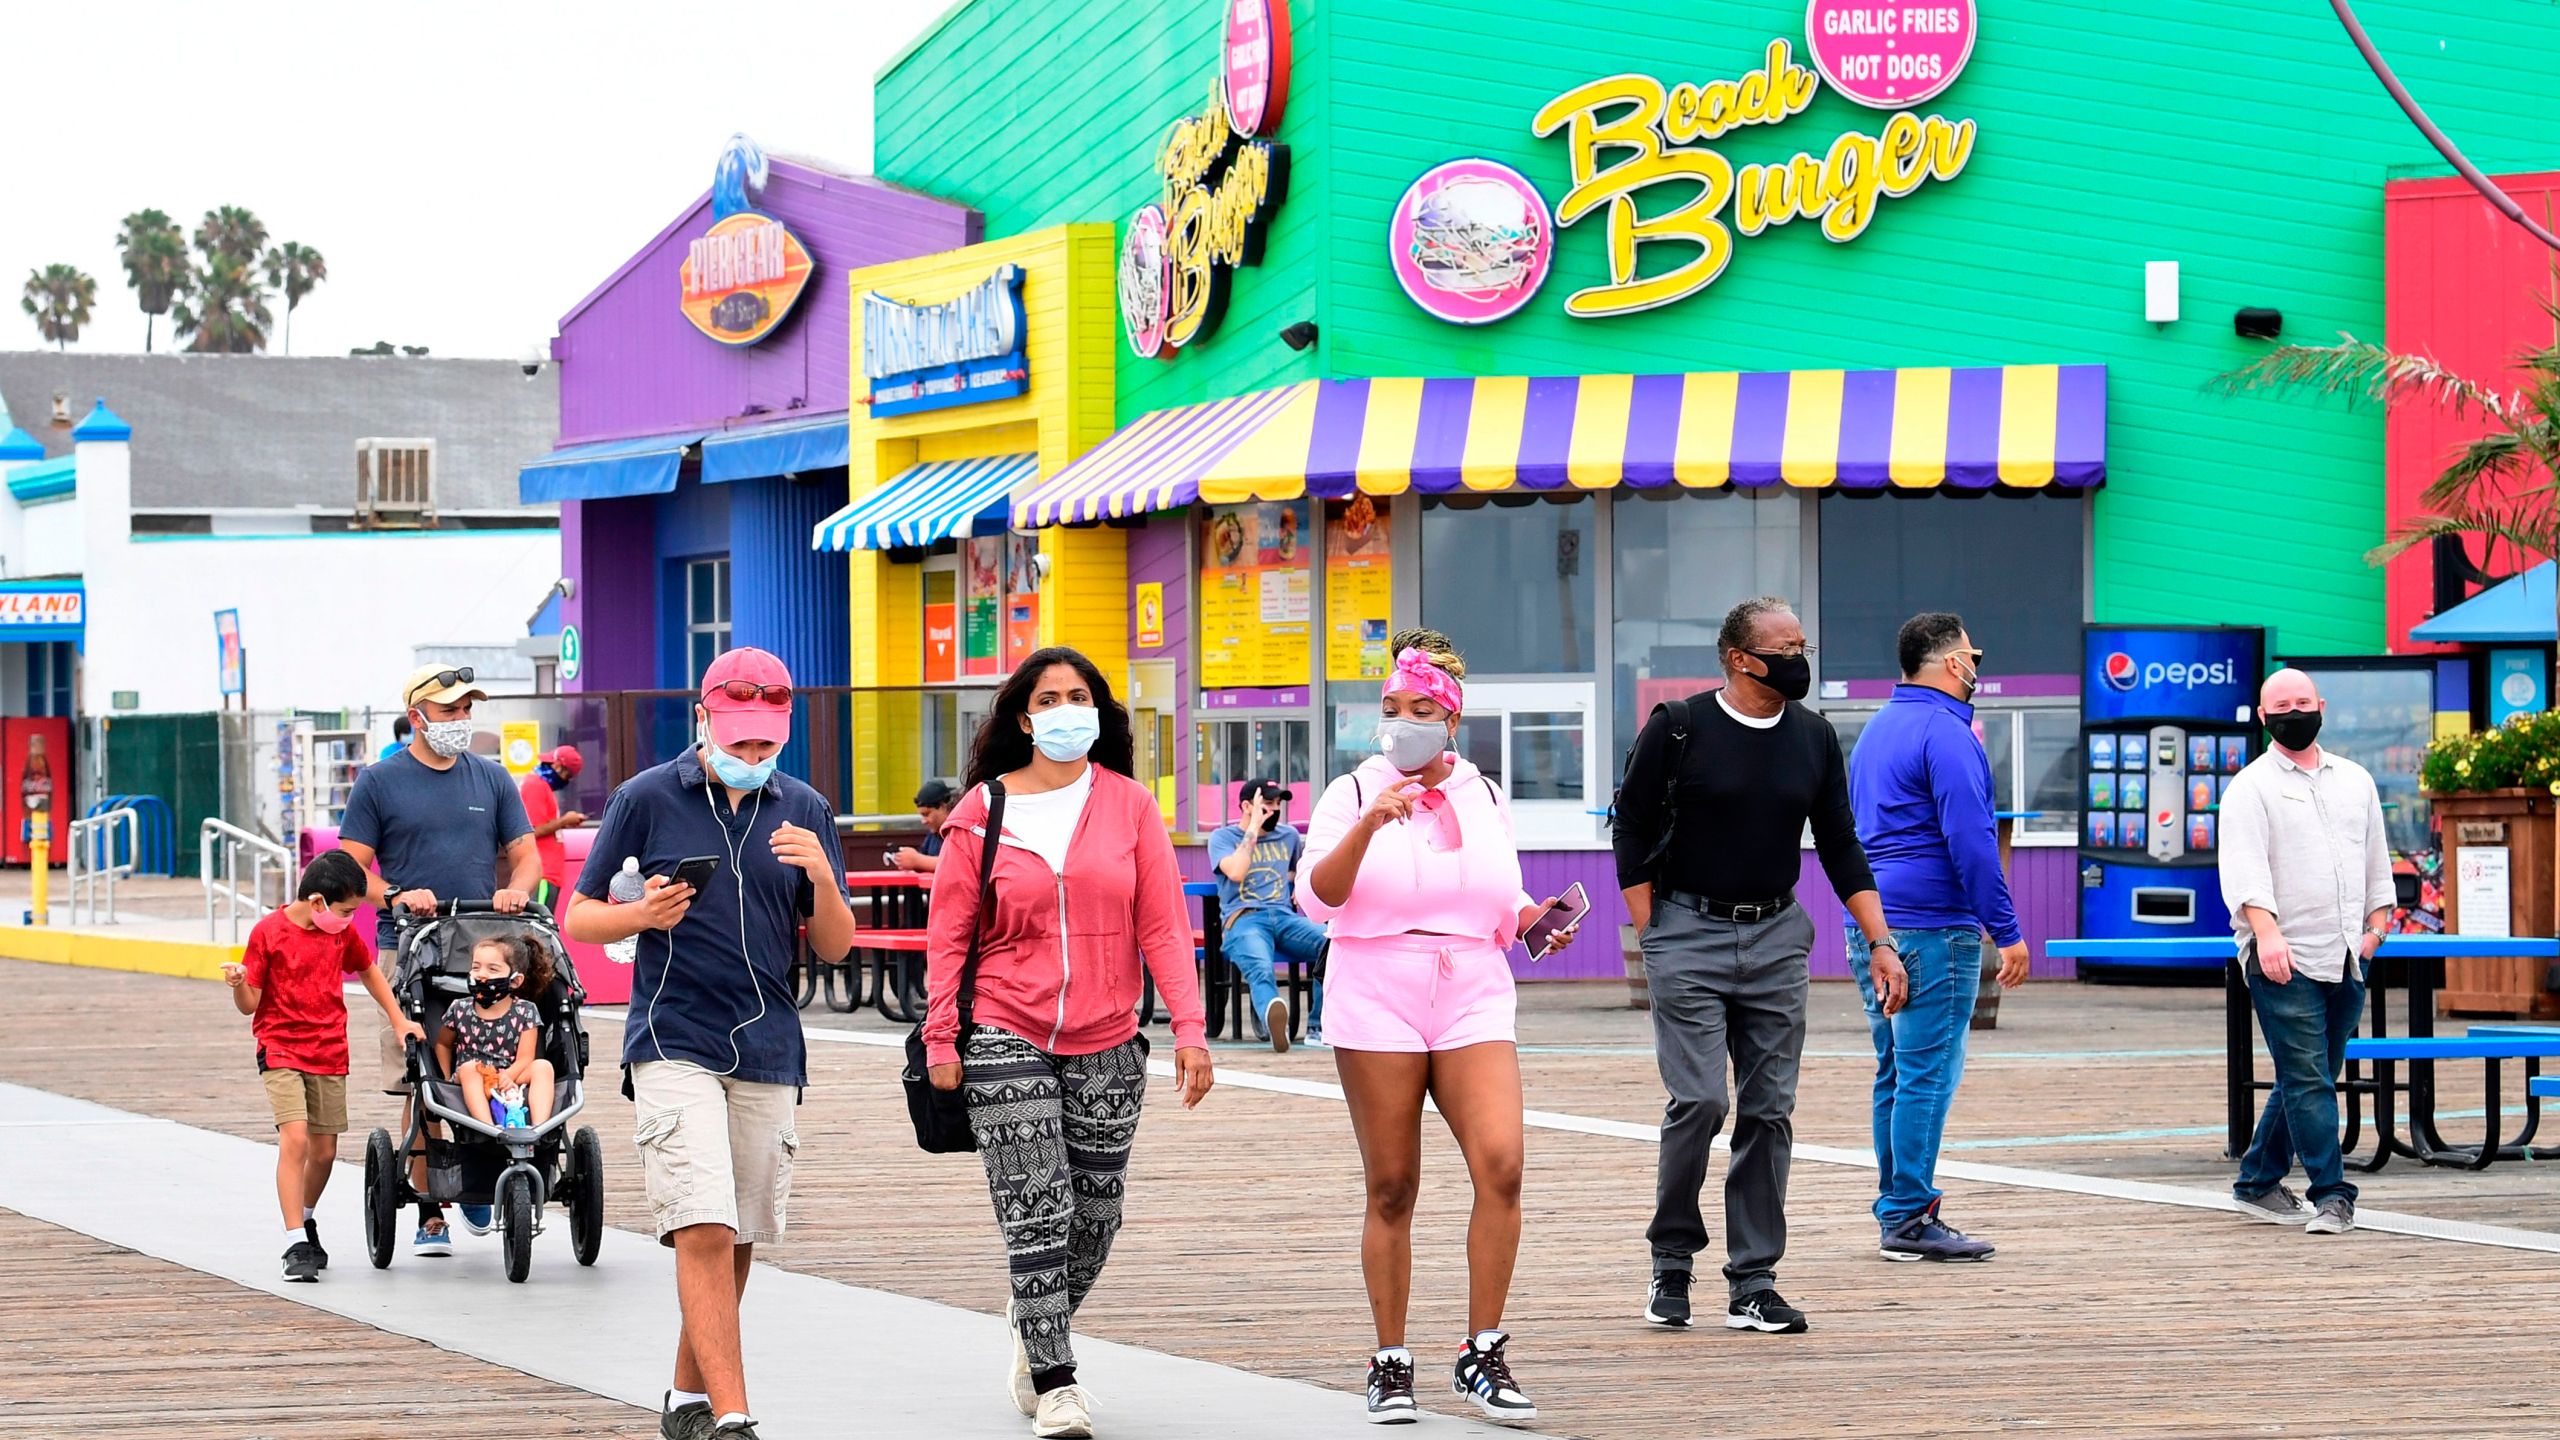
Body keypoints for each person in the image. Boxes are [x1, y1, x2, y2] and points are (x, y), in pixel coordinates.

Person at [923, 647, 1213, 1440]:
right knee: (1037, 1212)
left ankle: (1032, 1313)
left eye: (1077, 695)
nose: (1063, 710)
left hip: (1110, 1038)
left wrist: (1190, 1030)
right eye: (1047, 698)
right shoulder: (981, 813)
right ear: (1024, 718)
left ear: (1098, 709)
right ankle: (1057, 1382)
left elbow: (1161, 923)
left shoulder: (1128, 806)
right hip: (1003, 1031)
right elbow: (948, 936)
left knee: (1096, 1215)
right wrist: (943, 1033)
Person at [566, 646, 854, 1440]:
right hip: (671, 1035)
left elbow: (833, 946)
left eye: (766, 745)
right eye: (739, 742)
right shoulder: (645, 798)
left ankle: (686, 1399)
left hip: (769, 1043)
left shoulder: (805, 808)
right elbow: (578, 915)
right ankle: (733, 1415)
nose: (753, 758)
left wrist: (823, 880)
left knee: (741, 1232)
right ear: (704, 719)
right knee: (702, 1222)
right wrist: (640, 917)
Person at [1299, 631, 1577, 1426]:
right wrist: (1370, 825)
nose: (1402, 724)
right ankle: (1390, 1361)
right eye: (1391, 710)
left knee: (1503, 1163)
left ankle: (1481, 1351)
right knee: (1393, 1185)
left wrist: (1534, 922)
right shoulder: (1352, 792)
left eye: (1421, 709)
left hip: (1472, 990)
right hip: (1376, 987)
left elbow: (1501, 900)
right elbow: (1317, 900)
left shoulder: (1484, 794)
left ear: (1451, 718)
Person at [1613, 596, 1906, 1337]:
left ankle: (1753, 1280)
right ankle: (1671, 1260)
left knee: (1769, 1112)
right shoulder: (1678, 728)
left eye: (1803, 642)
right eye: (1786, 645)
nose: (1799, 657)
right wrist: (1653, 929)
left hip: (1777, 937)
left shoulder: (1812, 736)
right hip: (1688, 934)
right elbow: (1633, 825)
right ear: (1741, 658)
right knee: (1702, 1102)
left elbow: (1839, 842)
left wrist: (1880, 940)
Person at [1845, 613, 2032, 1263]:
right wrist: (2005, 931)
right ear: (1953, 662)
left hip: (1873, 929)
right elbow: (1972, 842)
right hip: (1931, 929)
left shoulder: (1876, 730)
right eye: (1972, 654)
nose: (1977, 665)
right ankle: (1907, 1215)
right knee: (1925, 1074)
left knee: (1895, 1071)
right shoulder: (1948, 732)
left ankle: (1898, 1206)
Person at [338, 664, 539, 1254]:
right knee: (422, 1077)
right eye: (449, 711)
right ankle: (430, 1208)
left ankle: (483, 1176)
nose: (461, 721)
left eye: (466, 710)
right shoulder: (380, 782)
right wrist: (397, 894)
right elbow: (352, 869)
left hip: (483, 946)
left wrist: (518, 889)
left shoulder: (493, 778)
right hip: (411, 949)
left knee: (495, 1058)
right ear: (418, 715)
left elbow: (524, 855)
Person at [2219, 667, 2393, 1237]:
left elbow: (2374, 856)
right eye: (2281, 705)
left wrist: (2377, 925)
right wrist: (2266, 935)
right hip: (2282, 956)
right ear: (2264, 717)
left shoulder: (2356, 780)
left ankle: (2256, 1182)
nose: (2294, 712)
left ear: (2320, 705)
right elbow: (2244, 870)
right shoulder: (2249, 786)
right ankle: (2333, 1194)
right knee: (2310, 1075)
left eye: (2303, 701)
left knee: (2310, 1074)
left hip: (2346, 951)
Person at [220, 849, 423, 1283]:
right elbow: (249, 1005)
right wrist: (238, 986)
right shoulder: (268, 933)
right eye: (346, 911)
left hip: (329, 1049)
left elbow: (369, 971)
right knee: (295, 1140)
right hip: (280, 1048)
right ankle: (295, 1242)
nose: (350, 919)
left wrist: (399, 1017)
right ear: (317, 902)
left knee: (325, 1151)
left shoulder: (340, 934)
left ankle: (306, 1218)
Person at [1209, 776, 1331, 1051]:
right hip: (1244, 919)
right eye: (1267, 804)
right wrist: (1253, 828)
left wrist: (1300, 881)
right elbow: (1236, 871)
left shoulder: (1288, 836)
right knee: (1261, 968)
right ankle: (1275, 1024)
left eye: (1277, 804)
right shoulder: (1222, 837)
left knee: (1334, 944)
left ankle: (1318, 1027)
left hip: (1285, 917)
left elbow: (1297, 868)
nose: (1274, 810)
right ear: (1246, 806)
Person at [436, 934, 558, 1129]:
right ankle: (488, 1128)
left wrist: (507, 1076)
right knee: (468, 1069)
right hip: (476, 1076)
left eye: (492, 969)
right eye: (476, 967)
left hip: (512, 1073)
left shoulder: (525, 1011)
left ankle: (538, 1128)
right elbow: (443, 1043)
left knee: (543, 1067)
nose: (481, 974)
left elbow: (525, 1058)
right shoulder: (459, 1009)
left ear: (515, 981)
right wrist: (443, 1077)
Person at [520, 744, 589, 909]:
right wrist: (565, 820)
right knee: (537, 926)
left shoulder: (541, 786)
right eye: (567, 775)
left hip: (548, 873)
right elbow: (532, 830)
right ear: (557, 765)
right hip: (542, 872)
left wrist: (564, 823)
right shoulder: (534, 785)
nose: (566, 780)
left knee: (542, 925)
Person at [888, 778, 956, 873]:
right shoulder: (933, 835)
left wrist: (917, 861)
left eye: (926, 814)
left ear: (943, 807)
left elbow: (956, 864)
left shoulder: (959, 832)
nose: (923, 821)